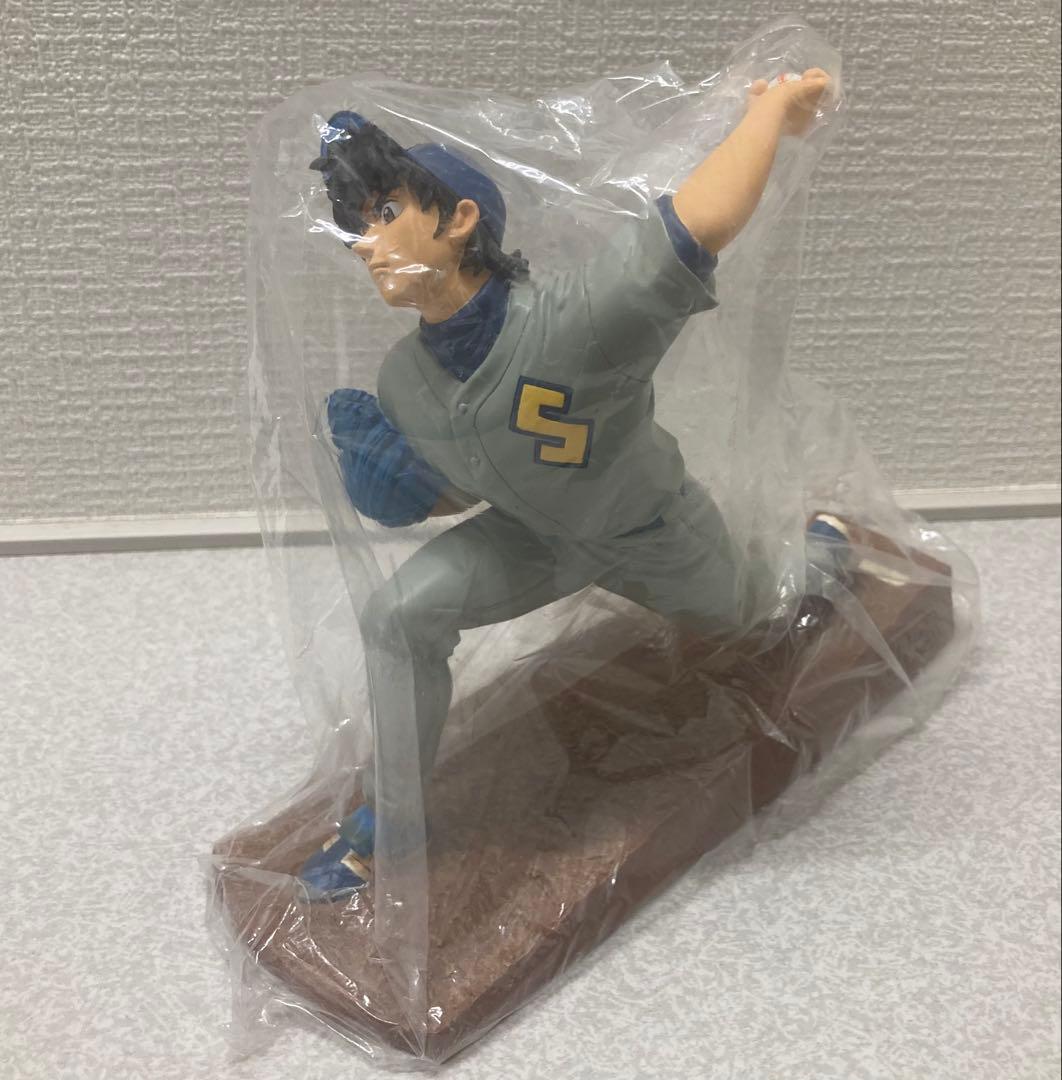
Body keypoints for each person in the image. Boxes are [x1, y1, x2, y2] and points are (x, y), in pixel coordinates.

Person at [299, 71, 846, 901]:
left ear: (460, 218)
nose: (363, 243)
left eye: (385, 212)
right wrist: (396, 487)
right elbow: (465, 489)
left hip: (649, 529)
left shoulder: (570, 322)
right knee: (398, 616)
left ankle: (820, 558)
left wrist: (769, 111)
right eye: (357, 225)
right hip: (533, 540)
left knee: (750, 617)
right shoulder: (405, 379)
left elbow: (694, 227)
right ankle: (391, 820)